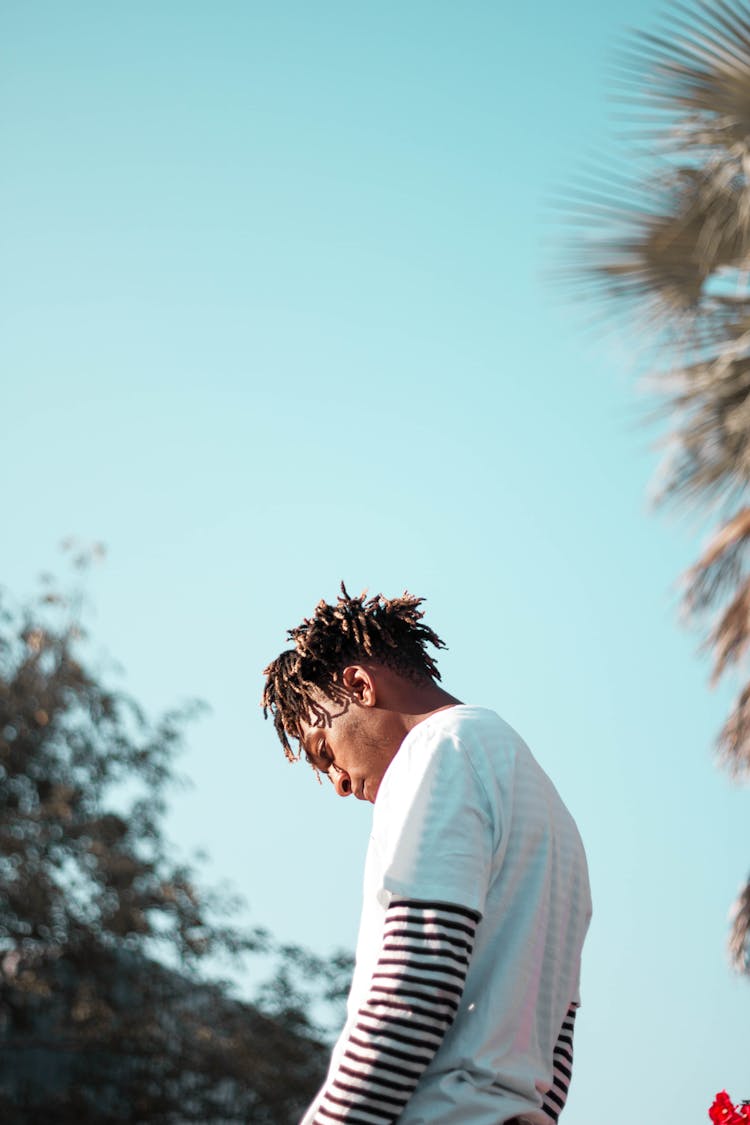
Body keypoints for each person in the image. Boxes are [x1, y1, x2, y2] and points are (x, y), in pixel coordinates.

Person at [262, 586, 592, 1125]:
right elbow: (556, 1034)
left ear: (360, 686)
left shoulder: (436, 752)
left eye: (326, 752)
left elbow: (419, 975)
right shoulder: (543, 801)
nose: (340, 785)